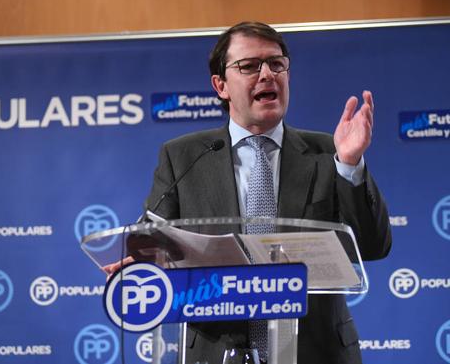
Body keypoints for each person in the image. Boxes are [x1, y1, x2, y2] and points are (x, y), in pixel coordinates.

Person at [144, 21, 392, 364]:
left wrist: (349, 164)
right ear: (220, 85)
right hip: (215, 352)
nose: (267, 74)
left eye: (277, 64)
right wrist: (139, 256)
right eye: (249, 66)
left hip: (316, 352)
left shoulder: (328, 152)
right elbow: (151, 242)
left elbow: (372, 246)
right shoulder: (183, 157)